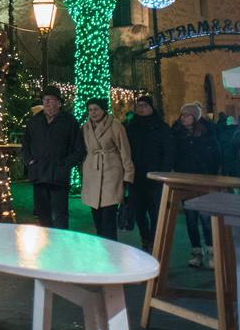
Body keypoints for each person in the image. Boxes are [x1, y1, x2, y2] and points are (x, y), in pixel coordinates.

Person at [21, 85, 85, 230]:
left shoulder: (69, 121)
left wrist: (65, 164)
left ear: (58, 102)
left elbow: (79, 149)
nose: (47, 103)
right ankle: (46, 245)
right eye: (45, 100)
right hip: (39, 175)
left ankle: (61, 247)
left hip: (58, 177)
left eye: (50, 100)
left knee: (60, 215)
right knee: (43, 215)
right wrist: (29, 161)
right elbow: (25, 143)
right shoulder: (35, 121)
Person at [172, 102, 221, 268]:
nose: (183, 118)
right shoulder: (177, 134)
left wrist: (211, 175)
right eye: (182, 115)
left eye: (187, 115)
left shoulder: (206, 134)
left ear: (195, 117)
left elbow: (216, 155)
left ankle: (212, 251)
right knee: (191, 220)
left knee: (206, 218)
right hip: (186, 182)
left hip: (203, 181)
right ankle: (196, 252)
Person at [123, 95, 173, 251]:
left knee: (155, 211)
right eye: (139, 105)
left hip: (155, 176)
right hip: (136, 177)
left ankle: (154, 240)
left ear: (151, 107)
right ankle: (145, 237)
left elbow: (169, 151)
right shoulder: (130, 128)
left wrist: (163, 172)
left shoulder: (161, 127)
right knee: (139, 211)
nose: (141, 108)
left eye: (144, 105)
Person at [80, 97, 134, 241]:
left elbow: (125, 151)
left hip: (111, 173)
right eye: (90, 110)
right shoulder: (85, 127)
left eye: (96, 109)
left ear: (103, 110)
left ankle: (111, 249)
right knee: (96, 215)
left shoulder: (116, 126)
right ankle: (101, 248)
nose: (93, 112)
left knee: (108, 216)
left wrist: (128, 175)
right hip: (92, 172)